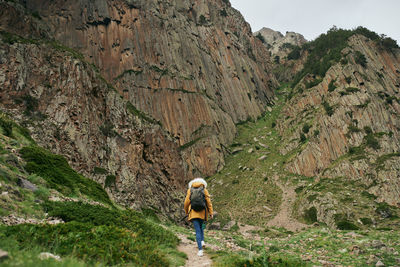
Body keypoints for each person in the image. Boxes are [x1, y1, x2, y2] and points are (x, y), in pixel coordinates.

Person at [184, 177, 213, 257]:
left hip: (193, 213)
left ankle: (200, 250)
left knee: (197, 231)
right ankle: (202, 241)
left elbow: (186, 202)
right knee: (201, 228)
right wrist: (211, 213)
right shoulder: (204, 190)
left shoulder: (190, 190)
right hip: (202, 213)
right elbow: (208, 202)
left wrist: (187, 212)